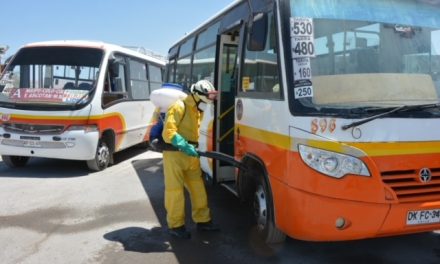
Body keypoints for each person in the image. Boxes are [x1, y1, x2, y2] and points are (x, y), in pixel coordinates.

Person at [162, 80, 220, 239]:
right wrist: (185, 146)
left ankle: (203, 221)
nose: (205, 106)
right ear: (196, 96)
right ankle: (176, 226)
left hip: (191, 155)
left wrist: (192, 148)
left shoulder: (197, 109)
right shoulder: (179, 106)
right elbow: (168, 134)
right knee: (175, 191)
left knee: (198, 189)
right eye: (203, 101)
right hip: (175, 155)